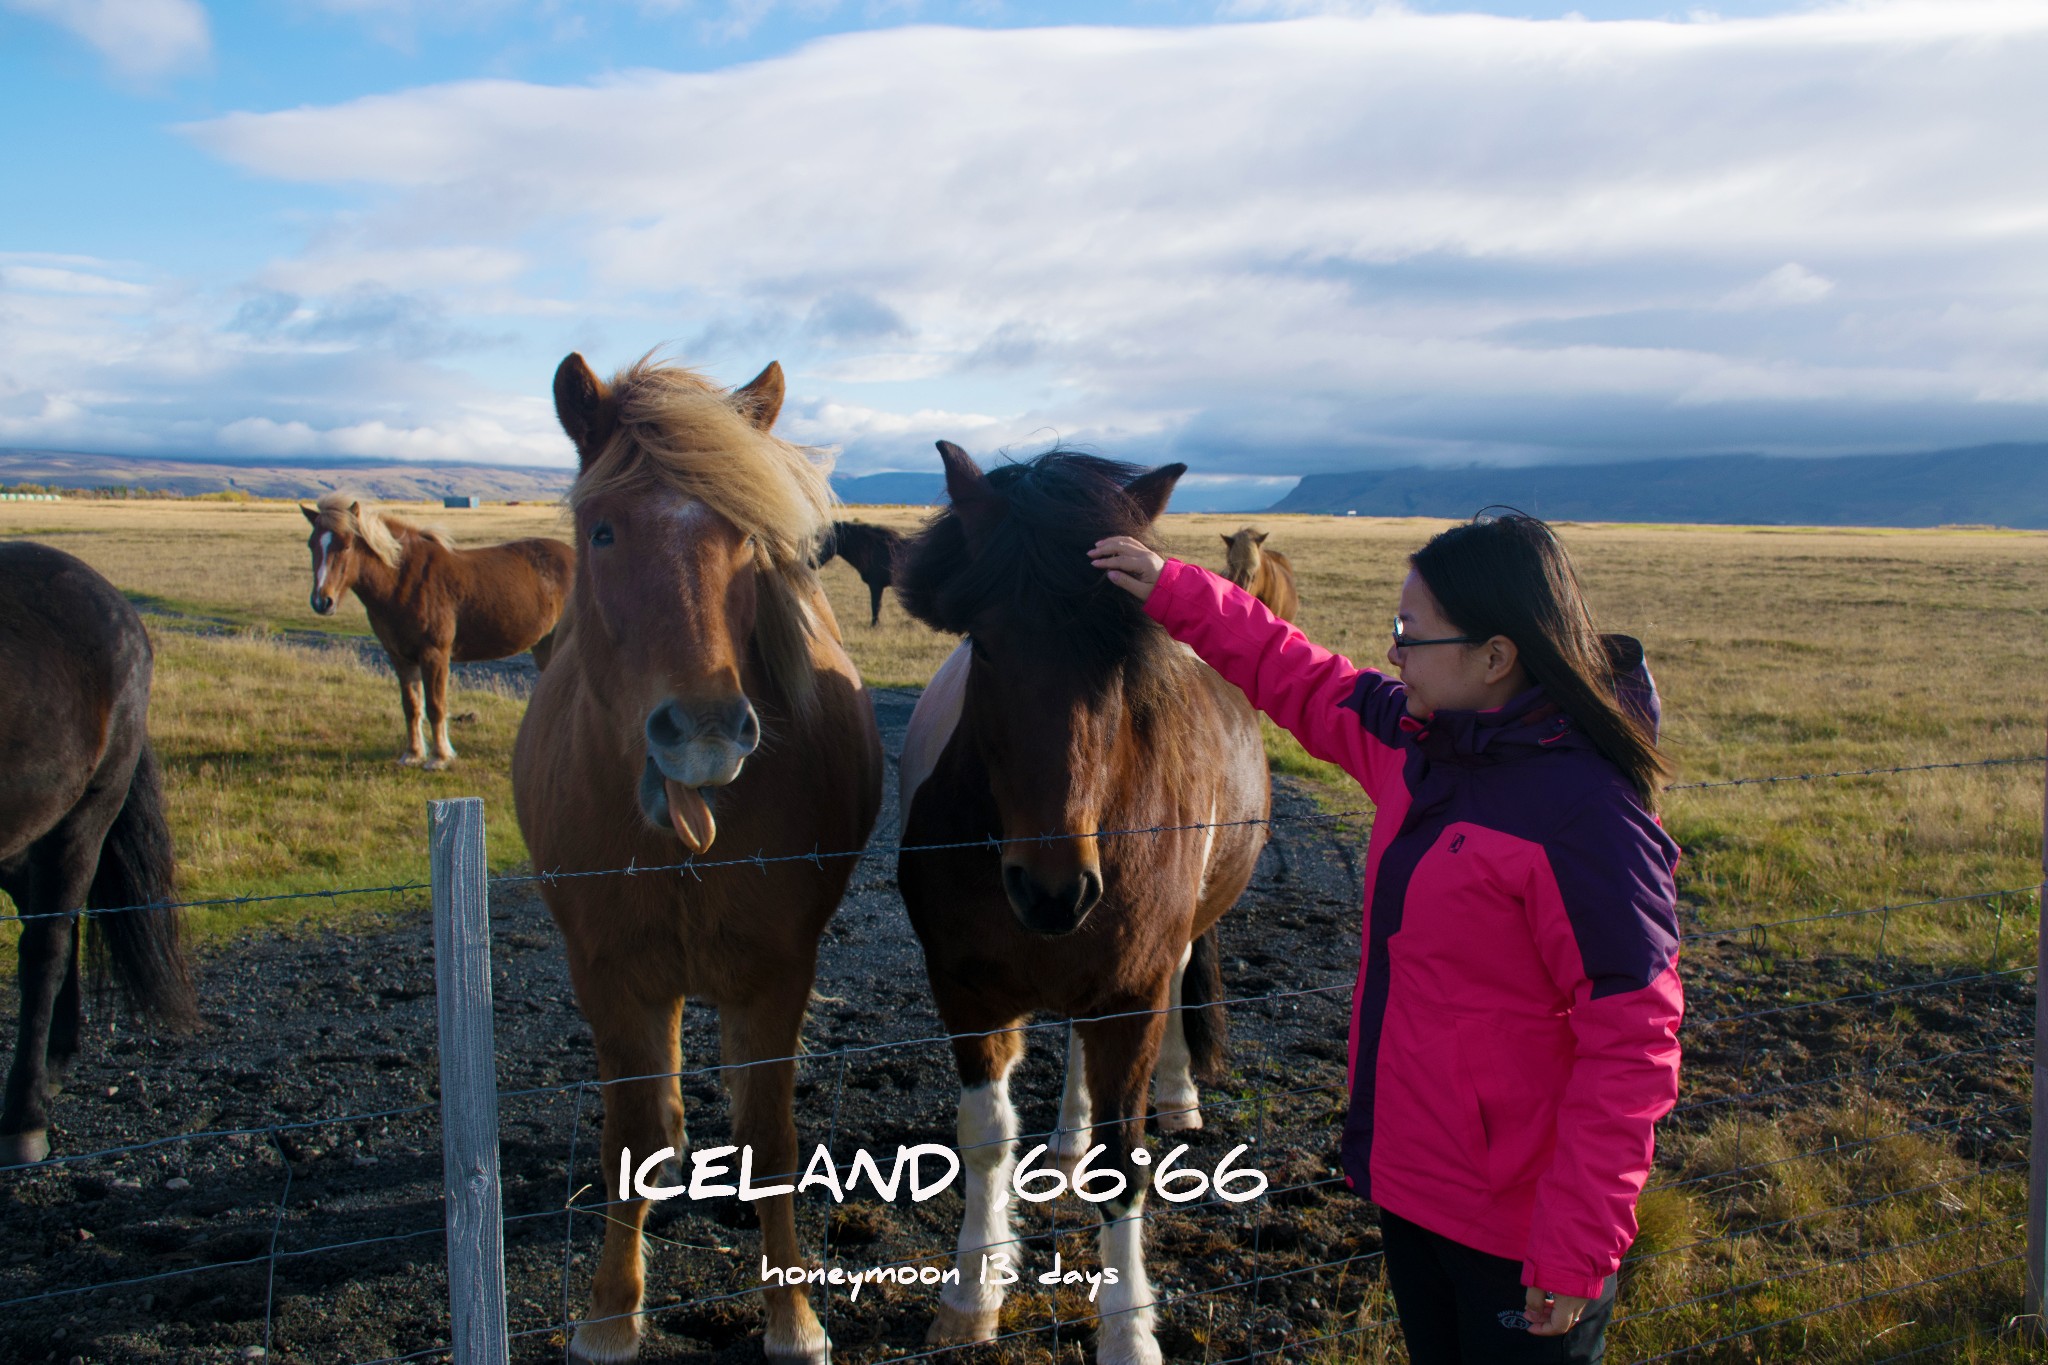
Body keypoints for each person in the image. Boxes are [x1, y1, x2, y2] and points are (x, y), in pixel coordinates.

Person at [1091, 512, 1681, 1363]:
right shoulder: (1419, 745)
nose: (1394, 651)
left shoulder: (1589, 820)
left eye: (1411, 631)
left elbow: (1634, 1045)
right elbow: (1294, 670)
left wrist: (1579, 1243)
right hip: (1412, 1193)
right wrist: (1177, 589)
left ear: (1495, 657)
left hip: (1522, 1232)